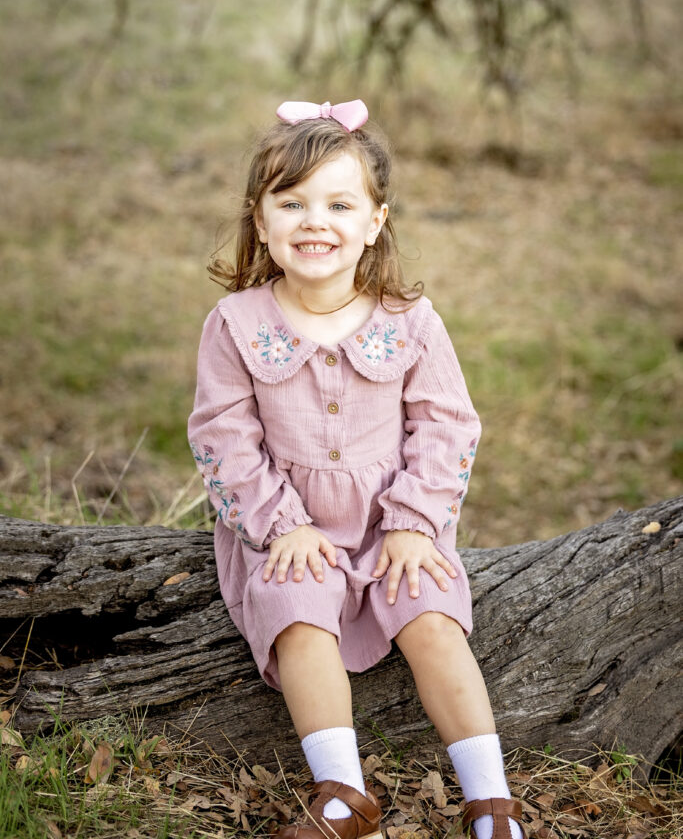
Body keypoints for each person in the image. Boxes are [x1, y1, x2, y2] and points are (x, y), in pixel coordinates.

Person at [188, 99, 526, 839]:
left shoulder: (410, 321)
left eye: (339, 203)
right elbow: (222, 436)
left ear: (374, 223)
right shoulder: (237, 324)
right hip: (289, 530)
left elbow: (446, 425)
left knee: (432, 622)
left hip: (393, 525)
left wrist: (412, 525)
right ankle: (343, 797)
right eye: (292, 203)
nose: (315, 222)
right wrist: (281, 525)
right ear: (260, 218)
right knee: (299, 619)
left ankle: (492, 803)